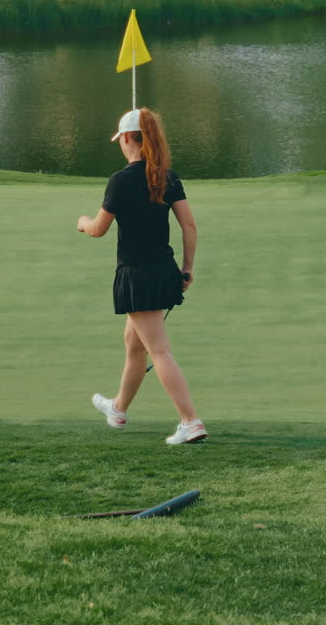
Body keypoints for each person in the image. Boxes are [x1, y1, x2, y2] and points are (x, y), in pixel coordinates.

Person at [76, 107, 207, 445]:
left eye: (121, 139)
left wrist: (82, 222)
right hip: (164, 270)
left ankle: (190, 421)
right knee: (134, 345)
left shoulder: (120, 181)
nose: (120, 144)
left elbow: (98, 230)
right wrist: (188, 268)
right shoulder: (167, 176)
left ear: (131, 139)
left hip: (138, 277)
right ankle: (118, 408)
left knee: (159, 351)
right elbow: (189, 226)